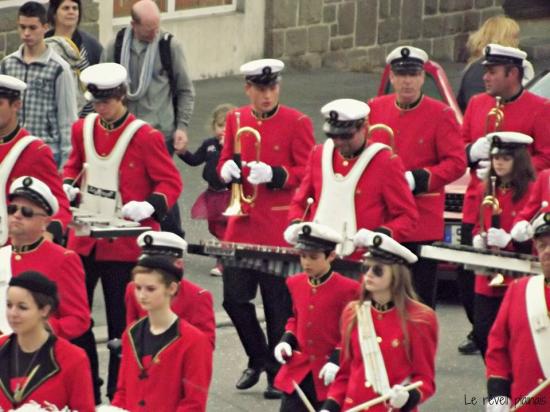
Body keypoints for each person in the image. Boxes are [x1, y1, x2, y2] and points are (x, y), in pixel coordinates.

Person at [62, 62, 182, 399]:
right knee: (75, 319)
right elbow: (74, 167)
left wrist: (150, 206)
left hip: (124, 248)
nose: (101, 108)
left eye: (107, 101)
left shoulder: (145, 136)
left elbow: (170, 182)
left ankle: (118, 393)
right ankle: (87, 385)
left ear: (122, 97)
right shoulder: (82, 128)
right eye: (97, 102)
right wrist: (67, 186)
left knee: (122, 326)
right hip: (84, 240)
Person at [216, 58, 315, 398]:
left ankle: (276, 371)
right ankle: (257, 357)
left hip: (276, 225)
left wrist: (276, 174)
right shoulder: (235, 119)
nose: (267, 95)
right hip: (241, 226)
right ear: (248, 89)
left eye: (272, 88)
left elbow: (307, 172)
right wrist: (226, 168)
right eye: (260, 89)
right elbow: (225, 158)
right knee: (233, 300)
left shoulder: (297, 122)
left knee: (277, 305)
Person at [459, 43, 550, 355]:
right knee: (468, 280)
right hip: (476, 207)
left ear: (512, 74)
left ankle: (503, 337)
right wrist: (473, 154)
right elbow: (459, 148)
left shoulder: (539, 109)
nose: (485, 77)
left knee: (510, 283)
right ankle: (482, 330)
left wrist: (514, 169)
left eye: (492, 71)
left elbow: (547, 157)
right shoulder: (476, 105)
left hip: (516, 209)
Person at [368, 45, 466, 309]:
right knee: (381, 296)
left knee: (419, 301)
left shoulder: (440, 114)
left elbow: (457, 163)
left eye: (413, 74)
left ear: (422, 77)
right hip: (384, 218)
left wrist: (420, 178)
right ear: (391, 78)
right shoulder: (375, 109)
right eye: (401, 75)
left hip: (422, 219)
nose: (407, 81)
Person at [2, 175, 102, 403]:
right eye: (12, 209)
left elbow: (78, 319)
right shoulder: (2, 256)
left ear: (45, 222)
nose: (16, 215)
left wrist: (38, 330)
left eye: (27, 212)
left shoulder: (63, 259)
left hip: (41, 357)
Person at [102, 0, 194, 237]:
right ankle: (134, 235)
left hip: (159, 132)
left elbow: (185, 89)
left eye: (157, 26)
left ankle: (173, 237)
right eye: (149, 28)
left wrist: (181, 127)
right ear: (133, 24)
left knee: (162, 184)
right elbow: (104, 87)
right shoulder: (116, 45)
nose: (155, 32)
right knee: (131, 185)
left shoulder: (169, 46)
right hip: (125, 133)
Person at [319, 230, 438, 412]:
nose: (369, 274)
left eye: (378, 270)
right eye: (366, 267)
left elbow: (425, 379)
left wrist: (408, 397)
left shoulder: (420, 318)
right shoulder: (353, 312)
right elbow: (345, 373)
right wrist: (330, 406)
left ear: (397, 275)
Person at [287, 98, 418, 261]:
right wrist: (295, 223)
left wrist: (379, 235)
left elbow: (407, 216)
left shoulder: (385, 161)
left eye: (346, 136)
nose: (339, 142)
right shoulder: (319, 154)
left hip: (360, 260)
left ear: (364, 127)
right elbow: (300, 202)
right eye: (333, 136)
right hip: (319, 260)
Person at [112, 231, 213, 411]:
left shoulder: (195, 336)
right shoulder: (131, 333)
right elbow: (123, 389)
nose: (142, 296)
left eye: (150, 289)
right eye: (138, 288)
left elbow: (193, 401)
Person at [273, 222, 359, 411]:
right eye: (303, 256)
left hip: (330, 372)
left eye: (313, 257)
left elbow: (352, 331)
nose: (306, 263)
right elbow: (296, 318)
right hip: (300, 371)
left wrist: (337, 360)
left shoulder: (349, 289)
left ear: (331, 256)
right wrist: (286, 340)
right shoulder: (294, 283)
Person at [470, 132, 535, 358]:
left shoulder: (531, 190)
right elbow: (478, 223)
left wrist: (510, 239)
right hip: (487, 274)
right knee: (482, 332)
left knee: (514, 334)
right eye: (496, 158)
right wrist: (479, 237)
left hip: (516, 273)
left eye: (506, 158)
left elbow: (535, 231)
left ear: (519, 161)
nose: (498, 162)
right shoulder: (485, 189)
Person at [0, 271, 94, 412]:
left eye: (22, 307)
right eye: (9, 305)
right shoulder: (2, 347)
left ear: (44, 310)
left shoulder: (73, 358)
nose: (13, 313)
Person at [485, 212, 550, 412]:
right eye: (542, 245)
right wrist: (498, 399)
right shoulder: (519, 291)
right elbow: (498, 350)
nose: (547, 251)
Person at [0, 1, 77, 166]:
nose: (26, 33)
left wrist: (66, 166)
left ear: (45, 27)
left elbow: (68, 120)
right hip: (13, 149)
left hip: (46, 151)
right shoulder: (8, 64)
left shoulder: (59, 68)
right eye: (22, 27)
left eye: (32, 28)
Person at [0, 74, 70, 245]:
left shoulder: (34, 151)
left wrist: (49, 234)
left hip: (10, 247)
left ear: (16, 105)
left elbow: (60, 204)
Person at [124, 230, 216, 348]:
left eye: (158, 267)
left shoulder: (198, 296)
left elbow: (206, 344)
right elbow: (131, 332)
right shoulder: (133, 289)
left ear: (178, 264)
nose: (142, 294)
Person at [175, 103, 234, 276]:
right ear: (213, 126)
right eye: (220, 125)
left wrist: (227, 146)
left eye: (228, 126)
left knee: (225, 229)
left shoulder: (235, 144)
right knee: (214, 228)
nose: (223, 130)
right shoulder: (209, 144)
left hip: (228, 193)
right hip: (212, 194)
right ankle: (228, 251)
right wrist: (183, 152)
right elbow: (195, 160)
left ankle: (223, 261)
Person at [456, 15, 534, 113]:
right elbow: (478, 109)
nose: (517, 42)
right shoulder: (479, 70)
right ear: (504, 38)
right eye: (514, 37)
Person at [46, 0, 104, 117]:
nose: (71, 12)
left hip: (85, 119)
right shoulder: (43, 44)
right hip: (50, 115)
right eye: (66, 8)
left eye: (75, 8)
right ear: (54, 13)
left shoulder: (90, 45)